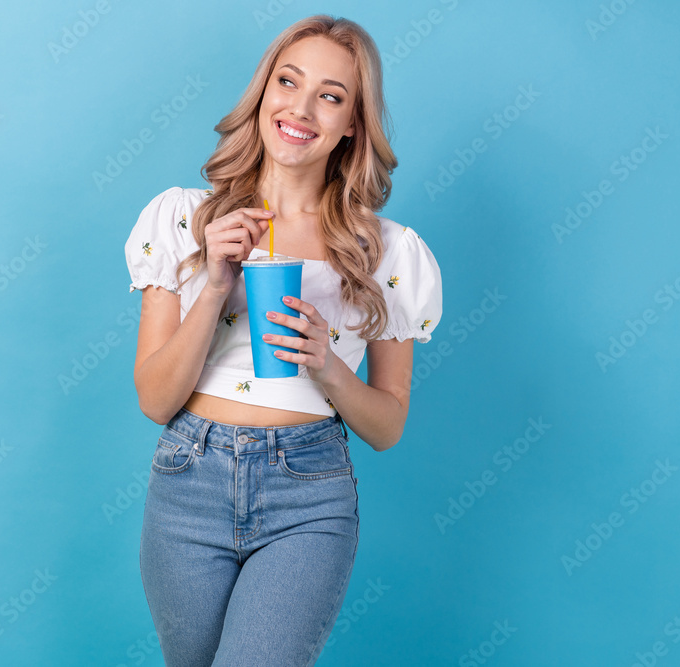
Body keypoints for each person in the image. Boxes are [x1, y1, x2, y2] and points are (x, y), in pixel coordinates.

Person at [122, 14, 442, 666]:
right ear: (264, 92)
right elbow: (155, 399)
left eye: (330, 95)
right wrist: (213, 285)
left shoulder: (387, 252)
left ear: (353, 121)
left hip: (308, 492)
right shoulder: (184, 217)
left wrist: (328, 368)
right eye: (287, 82)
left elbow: (387, 426)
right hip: (189, 481)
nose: (300, 107)